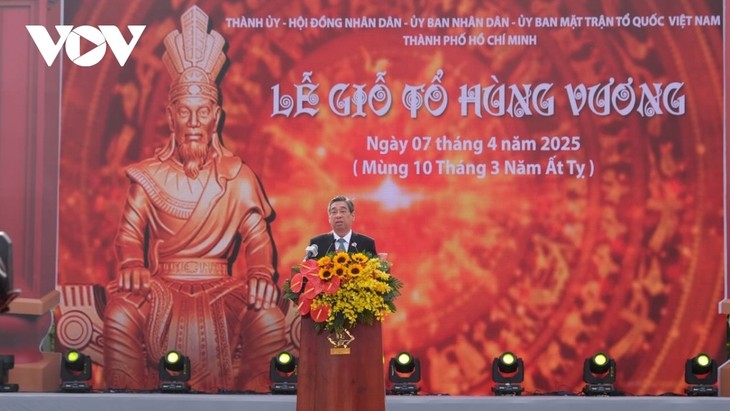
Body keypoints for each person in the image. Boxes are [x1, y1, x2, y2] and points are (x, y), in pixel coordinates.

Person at [103, 6, 285, 392]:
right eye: (184, 113)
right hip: (162, 285)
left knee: (268, 318)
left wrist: (260, 274)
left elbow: (258, 240)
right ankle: (126, 400)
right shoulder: (147, 175)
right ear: (170, 117)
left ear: (216, 117)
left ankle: (255, 399)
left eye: (202, 113)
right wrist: (133, 263)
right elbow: (129, 234)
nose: (193, 123)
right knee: (120, 314)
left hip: (222, 286)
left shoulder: (238, 176)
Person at [309, 195, 377, 257]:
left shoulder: (366, 243)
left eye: (343, 211)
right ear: (329, 218)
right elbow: (308, 266)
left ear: (353, 215)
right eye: (334, 212)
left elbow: (375, 266)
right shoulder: (317, 243)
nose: (338, 216)